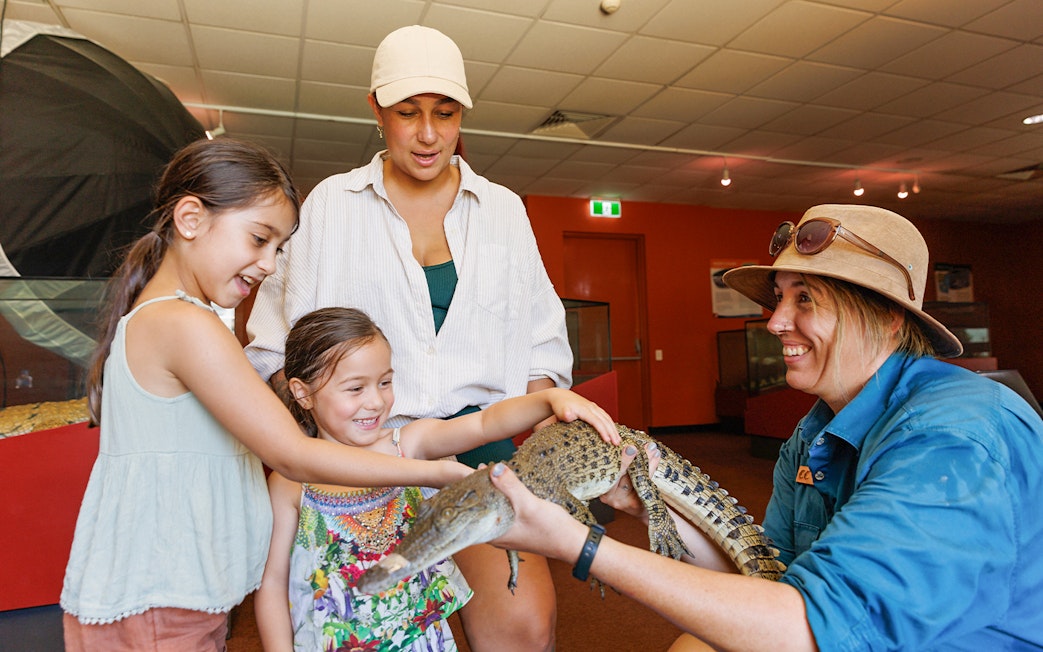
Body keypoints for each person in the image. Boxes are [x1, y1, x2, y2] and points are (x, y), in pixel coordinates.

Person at [485, 204, 1043, 651]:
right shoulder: (814, 432)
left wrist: (580, 544)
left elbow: (805, 632)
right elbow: (761, 574)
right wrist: (643, 499)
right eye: (780, 298)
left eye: (807, 300)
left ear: (888, 318)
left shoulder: (953, 438)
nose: (775, 322)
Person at [60, 138, 478, 651]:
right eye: (259, 239)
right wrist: (442, 473)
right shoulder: (183, 323)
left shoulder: (176, 317)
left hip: (171, 592)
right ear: (190, 219)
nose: (270, 264)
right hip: (160, 595)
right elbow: (294, 454)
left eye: (279, 248)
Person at [245, 25, 573, 651]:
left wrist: (523, 461)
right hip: (357, 456)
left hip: (476, 449)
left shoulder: (503, 209)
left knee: (525, 627)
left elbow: (543, 352)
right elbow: (269, 351)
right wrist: (320, 446)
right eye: (408, 113)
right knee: (364, 623)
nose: (428, 134)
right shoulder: (330, 205)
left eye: (445, 114)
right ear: (376, 110)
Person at [255, 307, 617, 651]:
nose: (376, 402)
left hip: (422, 640)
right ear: (303, 393)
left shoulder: (405, 443)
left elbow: (484, 423)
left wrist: (550, 398)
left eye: (384, 382)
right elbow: (273, 583)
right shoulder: (290, 483)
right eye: (355, 388)